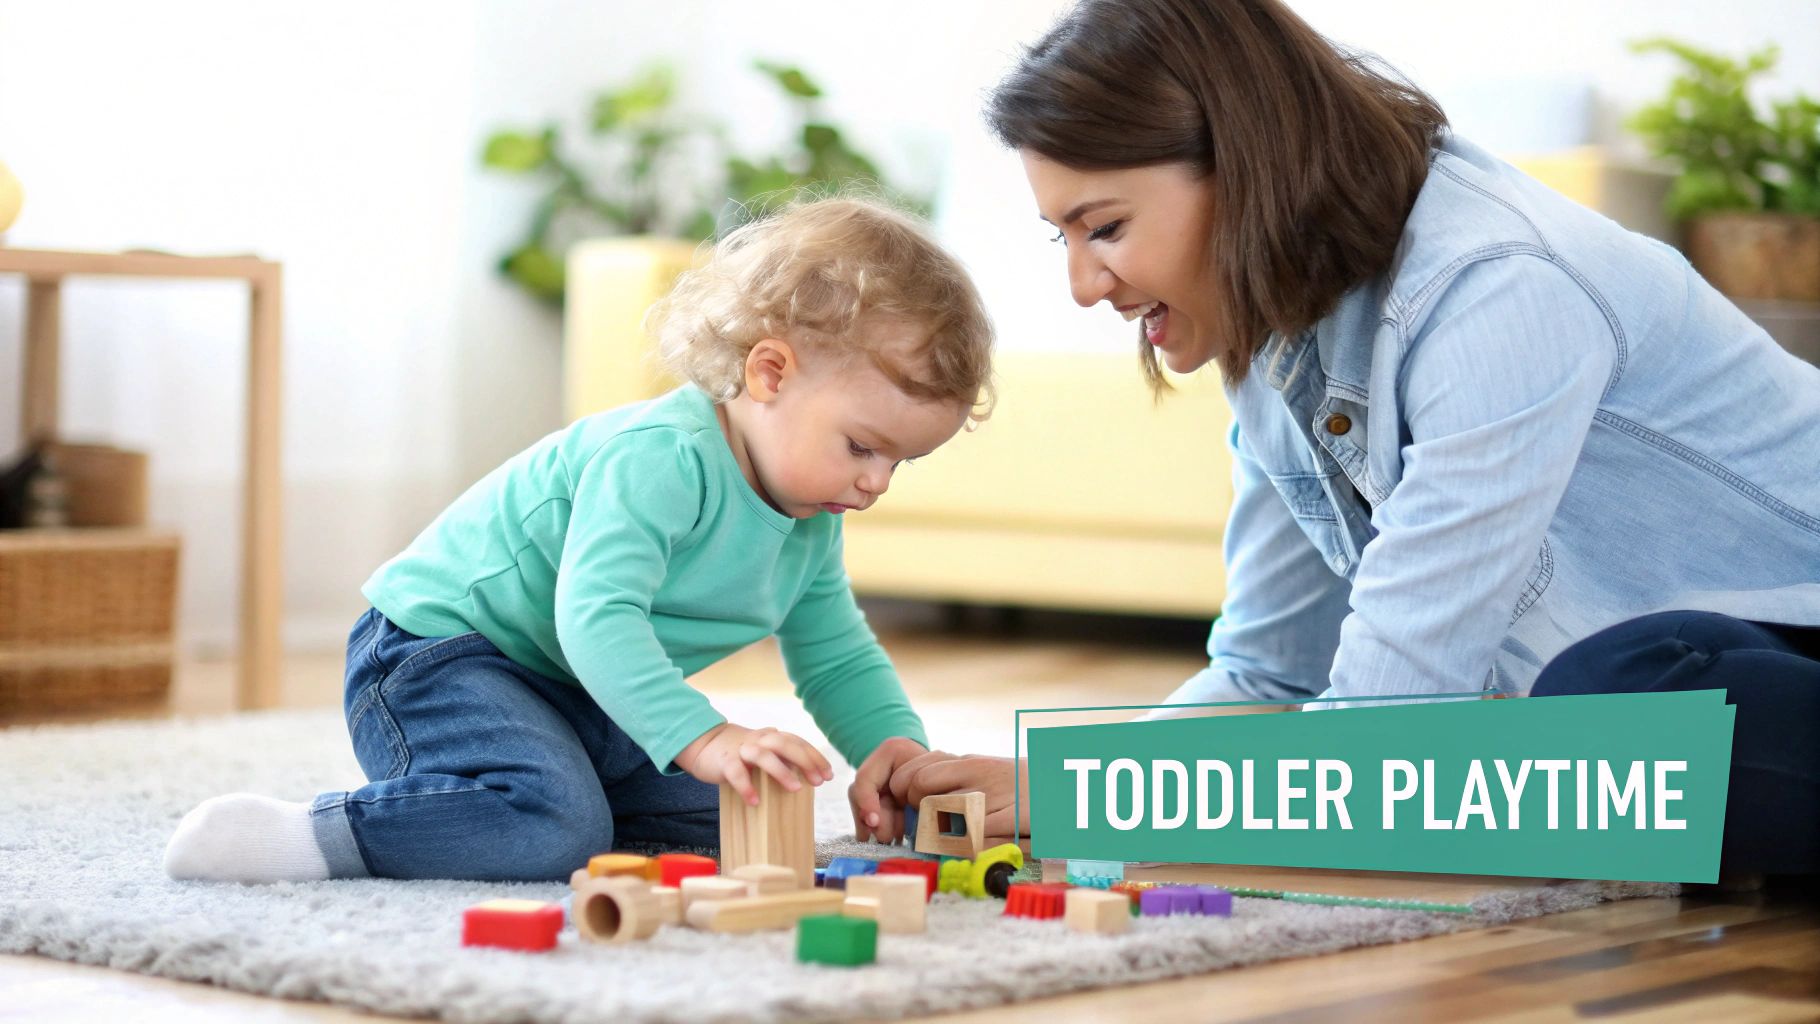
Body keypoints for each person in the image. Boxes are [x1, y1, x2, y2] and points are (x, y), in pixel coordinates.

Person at [888, 0, 1820, 875]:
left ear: (1246, 168)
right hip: (1703, 668)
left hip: (1772, 642)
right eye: (1066, 239)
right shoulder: (1273, 344)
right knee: (1567, 748)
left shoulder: (1496, 288)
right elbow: (1269, 677)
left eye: (1107, 228)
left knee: (1608, 709)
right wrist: (1056, 783)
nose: (1087, 287)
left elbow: (1381, 729)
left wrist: (1095, 798)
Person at [163, 197, 995, 883]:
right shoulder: (659, 458)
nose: (876, 483)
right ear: (769, 374)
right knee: (551, 829)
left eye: (901, 462)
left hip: (577, 696)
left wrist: (895, 747)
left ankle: (515, 794)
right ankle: (307, 835)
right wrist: (704, 735)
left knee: (737, 817)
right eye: (862, 447)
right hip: (438, 659)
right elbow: (597, 620)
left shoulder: (807, 517)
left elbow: (835, 653)